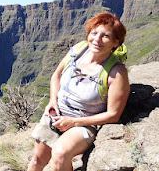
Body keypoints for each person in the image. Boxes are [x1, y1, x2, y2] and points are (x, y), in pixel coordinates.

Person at [27, 12, 130, 171]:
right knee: (36, 162)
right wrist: (53, 101)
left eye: (105, 36)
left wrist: (74, 122)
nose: (97, 39)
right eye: (94, 33)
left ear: (115, 43)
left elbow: (113, 114)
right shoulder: (78, 49)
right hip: (57, 115)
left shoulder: (116, 73)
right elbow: (56, 75)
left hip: (84, 123)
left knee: (60, 155)